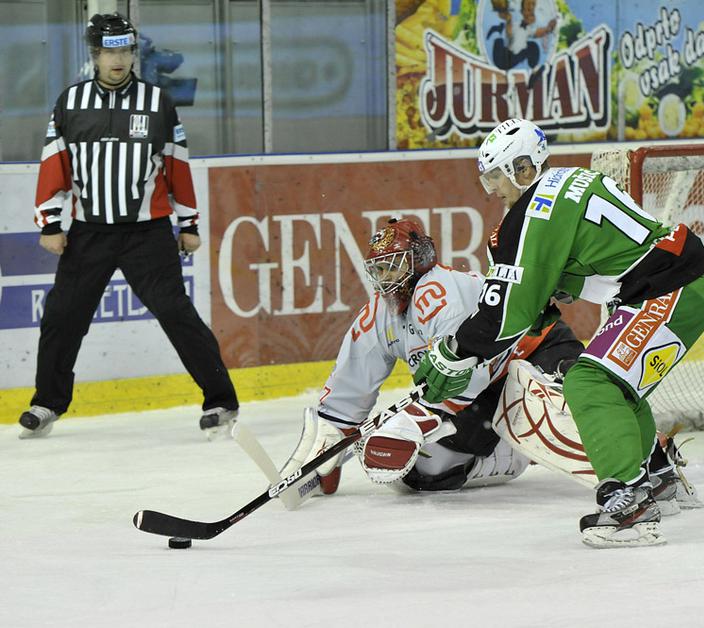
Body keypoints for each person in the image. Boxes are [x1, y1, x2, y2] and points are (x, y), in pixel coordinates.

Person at [414, 118, 704, 548]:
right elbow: (537, 299)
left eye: (498, 176)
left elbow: (507, 316)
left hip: (667, 287)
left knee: (591, 380)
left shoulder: (535, 210)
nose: (493, 189)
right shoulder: (564, 186)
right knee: (616, 384)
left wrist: (453, 351)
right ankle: (659, 476)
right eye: (487, 179)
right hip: (670, 283)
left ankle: (630, 503)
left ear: (523, 168)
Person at [20, 13, 239, 440]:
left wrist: (189, 223)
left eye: (124, 50)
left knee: (176, 312)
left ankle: (220, 400)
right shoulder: (70, 103)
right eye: (108, 51)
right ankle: (47, 402)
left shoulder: (158, 103)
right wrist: (50, 222)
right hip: (88, 234)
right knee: (63, 317)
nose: (117, 59)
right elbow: (54, 165)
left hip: (148, 234)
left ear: (132, 52)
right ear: (95, 54)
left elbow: (177, 165)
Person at [278, 217, 585, 498]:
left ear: (419, 260)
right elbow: (351, 383)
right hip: (483, 388)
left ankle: (615, 452)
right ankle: (513, 452)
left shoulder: (439, 291)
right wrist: (331, 435)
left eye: (393, 266)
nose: (385, 278)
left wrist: (415, 419)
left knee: (568, 413)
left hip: (538, 351)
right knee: (424, 470)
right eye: (379, 270)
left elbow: (468, 372)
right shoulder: (378, 314)